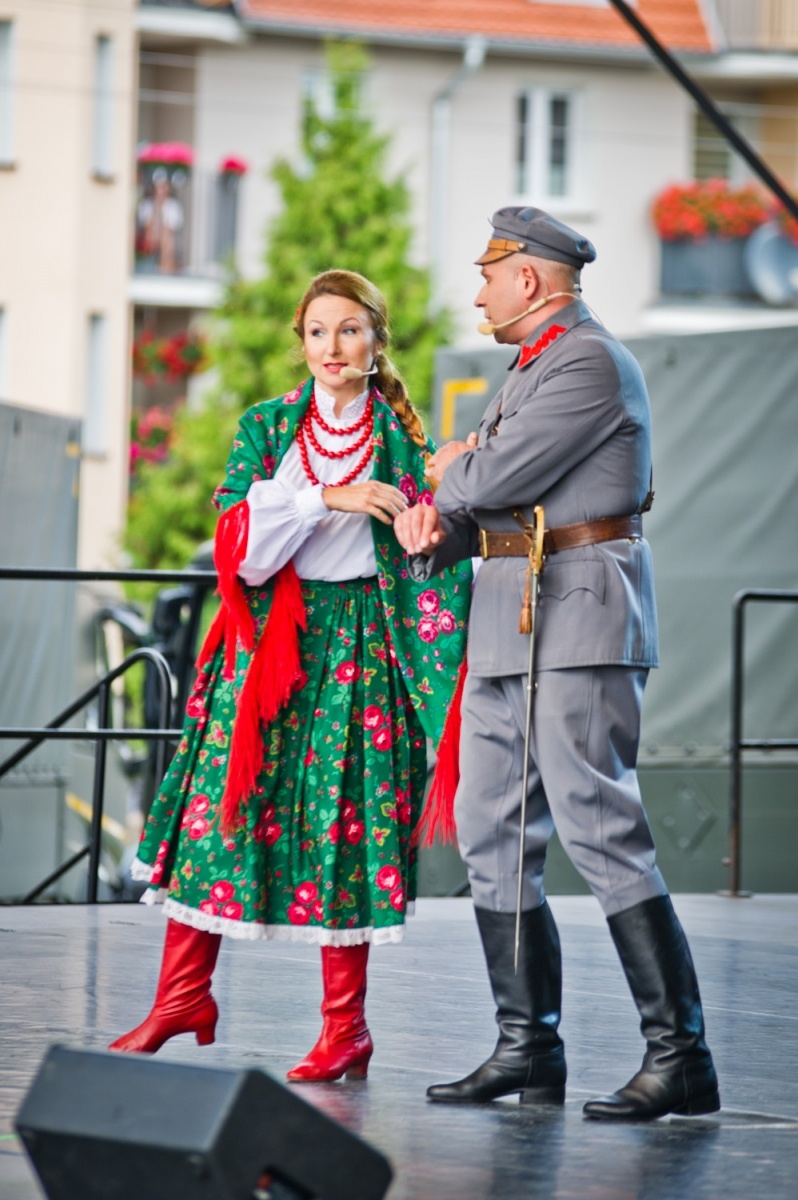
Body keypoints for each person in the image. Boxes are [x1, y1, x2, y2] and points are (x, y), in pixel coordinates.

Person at [393, 206, 719, 1121]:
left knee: (598, 824)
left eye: (488, 274)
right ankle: (527, 1048)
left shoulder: (587, 362)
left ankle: (680, 1055)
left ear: (528, 278)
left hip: (576, 610)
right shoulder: (528, 370)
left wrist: (452, 473)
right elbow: (478, 502)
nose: (479, 291)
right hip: (511, 616)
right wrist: (434, 525)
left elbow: (489, 478)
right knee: (490, 830)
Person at [109, 269, 470, 1082]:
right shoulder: (267, 426)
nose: (332, 347)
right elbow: (239, 542)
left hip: (359, 653)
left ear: (377, 342)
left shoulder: (405, 443)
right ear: (301, 342)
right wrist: (326, 499)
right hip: (270, 645)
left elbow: (432, 561)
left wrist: (427, 523)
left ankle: (346, 1030)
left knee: (343, 829)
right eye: (317, 332)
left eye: (349, 330)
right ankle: (181, 996)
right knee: (214, 814)